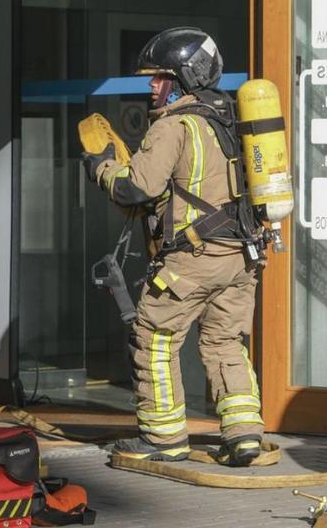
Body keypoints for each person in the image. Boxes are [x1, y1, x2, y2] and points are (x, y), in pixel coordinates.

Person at [82, 27, 266, 467]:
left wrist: (100, 167)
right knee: (225, 342)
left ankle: (163, 438)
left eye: (160, 77)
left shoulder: (174, 125)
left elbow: (136, 188)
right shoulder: (232, 119)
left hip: (193, 261)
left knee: (155, 339)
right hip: (241, 258)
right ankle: (244, 435)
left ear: (183, 78)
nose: (152, 85)